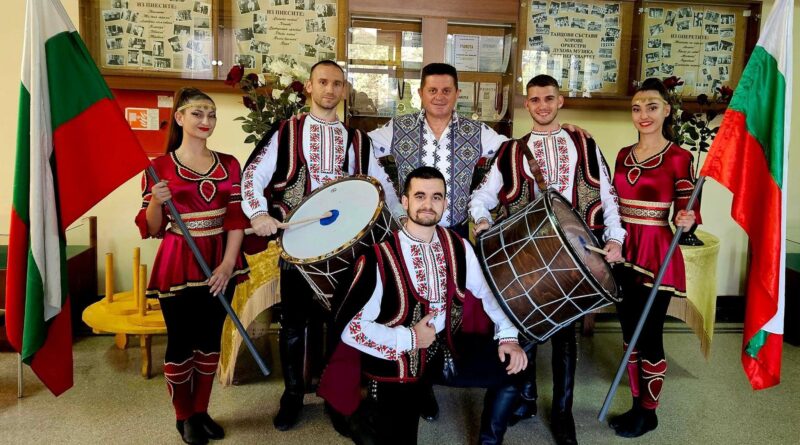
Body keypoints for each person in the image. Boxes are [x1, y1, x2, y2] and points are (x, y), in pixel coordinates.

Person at [319, 166, 528, 445]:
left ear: (445, 203)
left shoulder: (459, 246)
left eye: (437, 197)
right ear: (405, 202)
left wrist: (508, 336)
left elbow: (488, 294)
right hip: (396, 361)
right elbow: (353, 330)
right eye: (420, 196)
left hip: (443, 349)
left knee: (515, 368)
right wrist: (411, 337)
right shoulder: (380, 257)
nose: (428, 204)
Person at [470, 74, 626, 445]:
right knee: (524, 330)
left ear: (561, 101)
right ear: (528, 105)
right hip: (528, 258)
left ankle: (562, 412)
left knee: (565, 338)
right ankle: (523, 400)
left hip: (579, 260)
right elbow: (481, 197)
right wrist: (482, 222)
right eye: (535, 100)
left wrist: (616, 238)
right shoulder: (511, 151)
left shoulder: (584, 145)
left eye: (549, 99)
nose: (542, 106)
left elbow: (609, 197)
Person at [241, 60, 393, 432]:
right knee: (293, 322)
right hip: (297, 243)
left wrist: (402, 221)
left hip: (347, 248)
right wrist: (259, 213)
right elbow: (252, 176)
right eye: (323, 82)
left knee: (342, 324)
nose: (330, 89)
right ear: (309, 87)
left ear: (344, 90)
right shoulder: (285, 131)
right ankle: (292, 394)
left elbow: (383, 186)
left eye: (337, 84)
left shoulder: (359, 140)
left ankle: (336, 396)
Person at [135, 87, 249, 445]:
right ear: (180, 118)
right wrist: (156, 201)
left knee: (210, 340)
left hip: (219, 259)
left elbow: (235, 218)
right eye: (197, 114)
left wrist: (228, 264)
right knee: (182, 342)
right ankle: (183, 417)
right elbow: (151, 227)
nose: (206, 121)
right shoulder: (158, 168)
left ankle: (201, 410)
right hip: (179, 259)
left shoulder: (230, 163)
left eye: (211, 115)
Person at [608, 78, 699, 438]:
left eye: (651, 106)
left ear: (667, 110)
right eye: (636, 107)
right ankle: (635, 404)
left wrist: (687, 217)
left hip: (656, 254)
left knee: (649, 334)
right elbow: (612, 202)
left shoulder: (680, 157)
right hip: (623, 252)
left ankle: (650, 412)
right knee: (629, 334)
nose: (643, 114)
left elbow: (687, 206)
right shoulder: (622, 154)